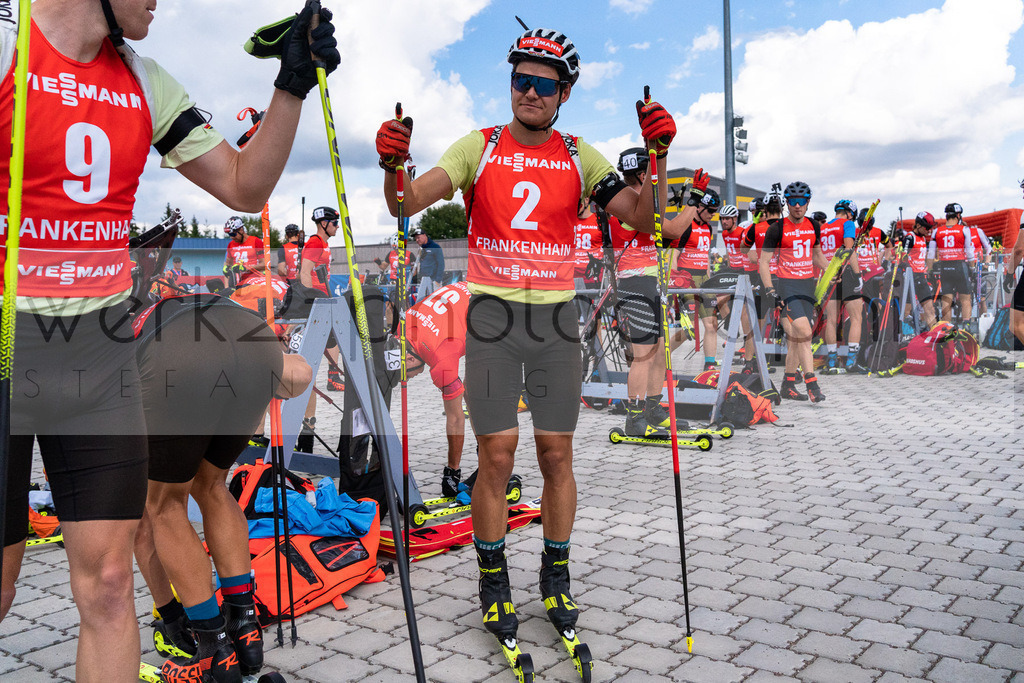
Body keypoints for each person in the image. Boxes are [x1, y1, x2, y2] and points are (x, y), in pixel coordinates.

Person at [0, 2, 338, 681]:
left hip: (98, 361)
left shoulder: (145, 79)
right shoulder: (7, 47)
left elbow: (245, 185)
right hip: (11, 354)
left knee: (106, 587)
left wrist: (292, 84)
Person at [375, 26, 675, 655]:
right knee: (497, 457)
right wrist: (392, 164)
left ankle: (555, 574)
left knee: (557, 458)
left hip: (556, 324)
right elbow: (404, 204)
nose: (529, 91)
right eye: (521, 79)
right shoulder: (478, 146)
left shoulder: (577, 151)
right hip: (492, 322)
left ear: (563, 92)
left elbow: (647, 222)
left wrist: (658, 160)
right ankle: (492, 574)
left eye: (543, 82)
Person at [133, 295, 311, 683]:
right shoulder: (169, 301)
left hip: (180, 354)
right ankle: (245, 632)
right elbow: (299, 374)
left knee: (161, 506)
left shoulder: (113, 324)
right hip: (254, 344)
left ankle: (213, 650)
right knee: (212, 486)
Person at [609, 147, 700, 438]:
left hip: (649, 281)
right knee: (643, 354)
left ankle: (652, 408)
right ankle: (634, 417)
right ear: (642, 173)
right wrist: (693, 203)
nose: (656, 177)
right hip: (634, 282)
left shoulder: (640, 201)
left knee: (660, 351)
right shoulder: (629, 203)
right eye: (652, 171)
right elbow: (673, 230)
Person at [759, 181, 829, 402]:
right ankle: (812, 383)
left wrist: (831, 270)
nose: (797, 206)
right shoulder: (776, 229)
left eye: (801, 202)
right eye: (793, 202)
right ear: (787, 204)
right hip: (786, 286)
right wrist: (770, 290)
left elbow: (817, 255)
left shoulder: (813, 226)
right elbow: (764, 262)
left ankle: (788, 384)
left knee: (797, 338)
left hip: (807, 285)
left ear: (808, 203)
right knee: (804, 331)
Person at [402, 282, 472, 495]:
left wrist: (452, 470)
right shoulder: (405, 323)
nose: (409, 379)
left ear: (410, 358)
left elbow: (457, 419)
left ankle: (492, 461)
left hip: (492, 309)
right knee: (471, 392)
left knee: (478, 397)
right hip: (469, 288)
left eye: (406, 374)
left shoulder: (442, 361)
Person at [820, 199, 865, 374]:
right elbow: (849, 249)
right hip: (846, 273)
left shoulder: (823, 227)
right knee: (856, 318)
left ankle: (832, 362)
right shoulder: (847, 224)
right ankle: (851, 362)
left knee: (831, 320)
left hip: (829, 274)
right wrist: (858, 274)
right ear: (849, 214)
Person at [303, 206, 344, 391]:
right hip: (317, 298)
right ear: (324, 224)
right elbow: (304, 272)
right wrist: (311, 300)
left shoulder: (323, 243)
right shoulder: (315, 242)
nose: (337, 227)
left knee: (333, 337)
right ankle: (331, 378)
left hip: (323, 296)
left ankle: (332, 377)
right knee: (328, 337)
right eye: (335, 223)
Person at [717, 203, 757, 372]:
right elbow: (729, 251)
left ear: (734, 219)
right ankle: (735, 332)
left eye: (727, 219)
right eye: (722, 219)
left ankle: (747, 345)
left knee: (743, 312)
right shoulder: (725, 233)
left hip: (745, 271)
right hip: (732, 270)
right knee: (719, 300)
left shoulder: (742, 232)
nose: (724, 222)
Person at [928, 202, 975, 325]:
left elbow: (931, 254)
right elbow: (970, 252)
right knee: (965, 299)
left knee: (946, 299)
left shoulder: (937, 231)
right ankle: (966, 327)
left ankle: (946, 328)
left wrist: (929, 270)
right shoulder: (964, 229)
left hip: (945, 266)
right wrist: (973, 267)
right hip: (960, 266)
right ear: (958, 215)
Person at [902, 211, 939, 329]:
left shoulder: (922, 238)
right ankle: (904, 336)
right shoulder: (909, 237)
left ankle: (935, 336)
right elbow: (902, 257)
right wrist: (908, 270)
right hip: (910, 277)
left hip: (920, 277)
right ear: (918, 225)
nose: (929, 230)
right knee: (907, 311)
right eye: (927, 228)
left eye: (931, 228)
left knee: (930, 308)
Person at [223, 216, 265, 286]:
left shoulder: (256, 241)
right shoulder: (231, 244)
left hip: (255, 281)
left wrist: (246, 267)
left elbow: (264, 264)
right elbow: (227, 269)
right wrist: (227, 288)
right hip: (238, 282)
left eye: (233, 234)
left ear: (241, 230)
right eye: (229, 234)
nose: (231, 237)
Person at [411, 226, 445, 301]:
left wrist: (437, 280)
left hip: (433, 280)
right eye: (416, 238)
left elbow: (441, 264)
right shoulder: (421, 249)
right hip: (424, 279)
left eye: (418, 237)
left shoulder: (435, 247)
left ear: (425, 236)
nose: (417, 240)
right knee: (421, 301)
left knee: (435, 302)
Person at [277, 223, 303, 287]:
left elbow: (281, 270)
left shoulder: (283, 248)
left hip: (292, 282)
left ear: (286, 236)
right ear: (298, 234)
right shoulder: (307, 245)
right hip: (306, 280)